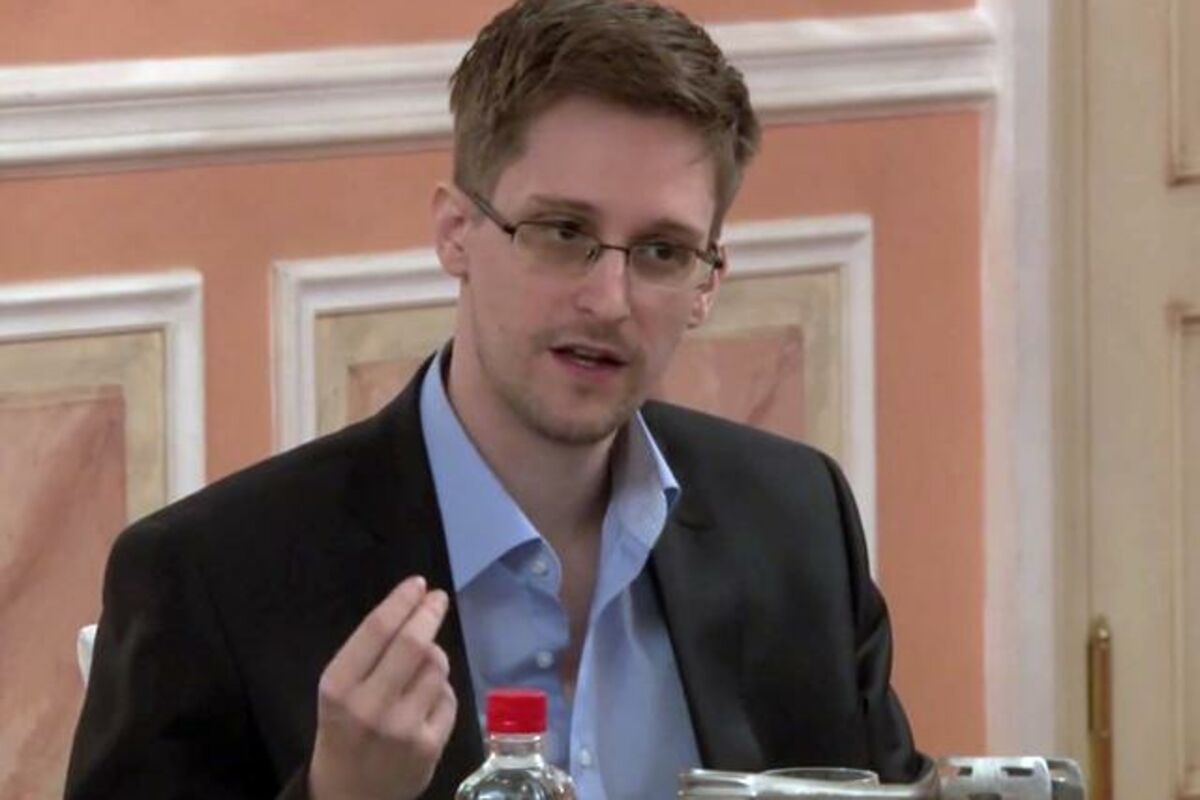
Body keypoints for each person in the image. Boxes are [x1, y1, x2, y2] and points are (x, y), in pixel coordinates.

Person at [65, 0, 927, 798]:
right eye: (562, 233)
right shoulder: (214, 577)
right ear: (456, 233)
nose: (609, 300)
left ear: (708, 283)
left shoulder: (797, 522)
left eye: (663, 251)